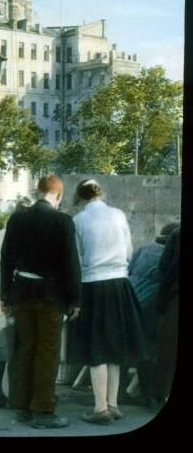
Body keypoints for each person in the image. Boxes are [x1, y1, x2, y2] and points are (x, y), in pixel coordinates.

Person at [0, 175, 81, 429]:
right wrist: (74, 299)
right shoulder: (62, 220)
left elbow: (6, 258)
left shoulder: (18, 218)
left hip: (22, 292)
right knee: (47, 352)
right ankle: (43, 410)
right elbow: (71, 263)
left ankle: (21, 405)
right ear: (58, 195)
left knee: (25, 348)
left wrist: (5, 295)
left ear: (39, 191)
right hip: (50, 296)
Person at [66, 179, 149, 425]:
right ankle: (113, 404)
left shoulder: (78, 221)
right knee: (115, 346)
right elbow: (128, 251)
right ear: (101, 194)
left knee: (96, 348)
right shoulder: (118, 215)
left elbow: (77, 259)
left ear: (80, 197)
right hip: (119, 284)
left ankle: (100, 407)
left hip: (92, 285)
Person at [0, 196, 32, 409]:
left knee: (1, 340)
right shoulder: (34, 234)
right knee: (22, 342)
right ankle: (17, 394)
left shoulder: (2, 233)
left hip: (4, 288)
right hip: (26, 288)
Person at [126, 221, 176, 406]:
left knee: (129, 347)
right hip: (150, 306)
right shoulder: (168, 254)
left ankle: (123, 391)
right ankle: (146, 394)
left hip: (130, 301)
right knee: (149, 349)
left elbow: (129, 270)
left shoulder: (143, 249)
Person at [150, 223, 180, 408]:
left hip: (176, 296)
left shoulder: (177, 234)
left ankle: (159, 396)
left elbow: (165, 267)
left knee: (168, 349)